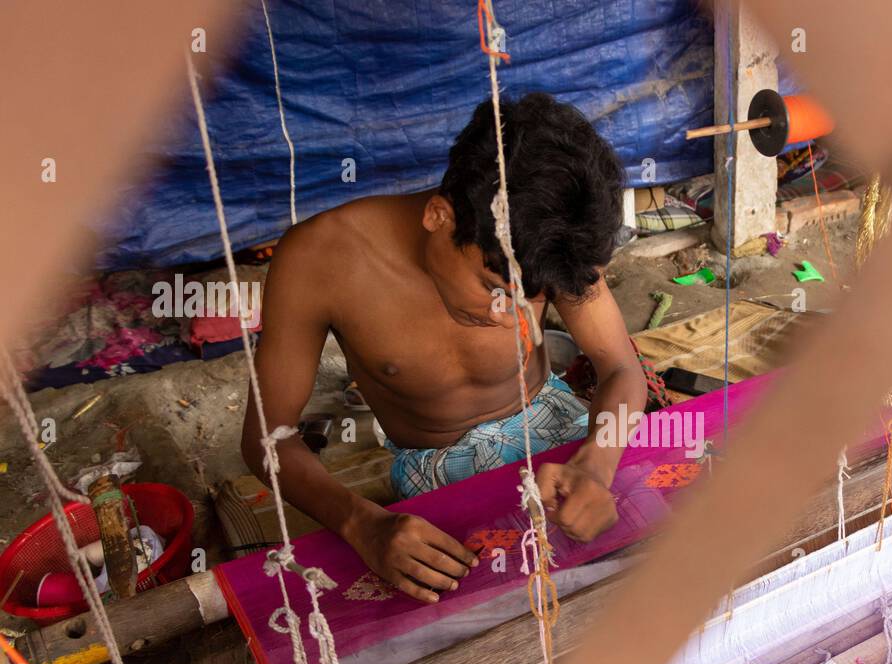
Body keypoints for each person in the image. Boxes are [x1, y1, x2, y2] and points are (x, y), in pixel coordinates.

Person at [242, 92, 646, 603]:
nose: (506, 315)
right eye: (494, 289)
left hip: (563, 436)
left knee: (657, 576)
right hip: (437, 472)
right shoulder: (321, 258)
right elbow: (266, 435)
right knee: (487, 626)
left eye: (528, 301)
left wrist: (597, 461)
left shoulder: (546, 238)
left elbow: (619, 369)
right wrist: (361, 524)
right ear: (439, 216)